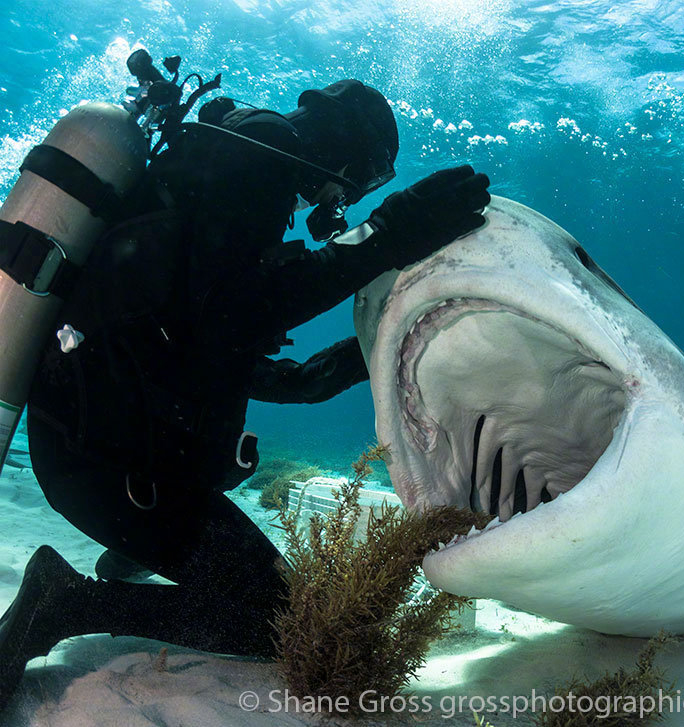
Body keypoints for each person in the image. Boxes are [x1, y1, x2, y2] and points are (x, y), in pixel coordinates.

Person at [0, 78, 490, 711]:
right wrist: (388, 235)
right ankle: (61, 603)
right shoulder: (257, 161)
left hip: (97, 448)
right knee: (276, 619)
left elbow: (192, 338)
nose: (344, 198)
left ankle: (129, 552)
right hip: (111, 472)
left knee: (253, 587)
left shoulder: (231, 154)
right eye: (363, 182)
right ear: (351, 159)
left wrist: (318, 374)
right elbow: (235, 316)